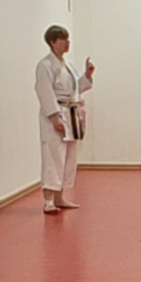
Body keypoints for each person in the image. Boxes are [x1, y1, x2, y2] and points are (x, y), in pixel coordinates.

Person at [34, 25, 94, 214]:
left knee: (68, 156)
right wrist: (54, 118)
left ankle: (61, 197)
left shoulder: (67, 65)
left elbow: (76, 89)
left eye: (68, 39)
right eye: (63, 40)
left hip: (71, 113)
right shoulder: (45, 65)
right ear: (53, 42)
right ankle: (48, 200)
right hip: (57, 114)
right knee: (53, 155)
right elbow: (44, 92)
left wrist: (88, 75)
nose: (67, 43)